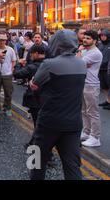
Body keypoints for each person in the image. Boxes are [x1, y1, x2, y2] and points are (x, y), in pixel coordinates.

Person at [29, 30, 87, 180]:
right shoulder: (82, 64)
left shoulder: (49, 64)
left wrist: (32, 83)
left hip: (49, 121)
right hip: (73, 123)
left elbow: (35, 85)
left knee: (36, 159)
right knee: (72, 166)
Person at [13, 44, 46, 145]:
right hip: (48, 98)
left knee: (38, 122)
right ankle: (34, 142)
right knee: (42, 123)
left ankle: (40, 147)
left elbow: (17, 74)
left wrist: (18, 64)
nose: (30, 56)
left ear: (36, 54)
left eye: (31, 54)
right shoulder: (49, 64)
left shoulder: (33, 67)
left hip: (35, 98)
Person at [77, 30, 103, 147]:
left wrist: (79, 56)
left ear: (95, 41)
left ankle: (95, 137)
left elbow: (77, 63)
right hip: (83, 83)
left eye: (88, 38)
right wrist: (80, 58)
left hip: (91, 85)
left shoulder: (95, 53)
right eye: (84, 37)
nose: (85, 40)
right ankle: (86, 132)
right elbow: (78, 63)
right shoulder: (85, 51)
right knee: (83, 111)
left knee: (92, 112)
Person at [0, 34, 17, 117]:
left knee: (8, 92)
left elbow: (14, 60)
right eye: (0, 40)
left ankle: (7, 108)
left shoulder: (10, 50)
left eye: (3, 40)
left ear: (6, 41)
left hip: (7, 74)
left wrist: (12, 68)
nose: (1, 42)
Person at [98, 30, 110, 110]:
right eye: (101, 35)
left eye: (104, 35)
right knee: (104, 87)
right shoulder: (100, 45)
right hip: (100, 69)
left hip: (108, 69)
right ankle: (107, 100)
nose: (102, 37)